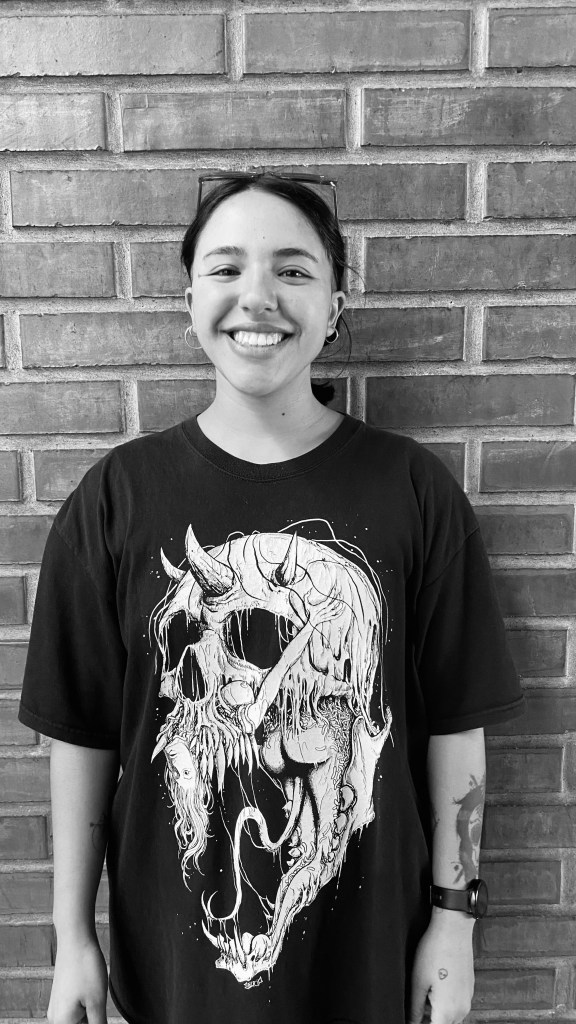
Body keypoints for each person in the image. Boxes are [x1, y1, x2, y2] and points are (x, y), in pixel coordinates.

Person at [18, 171, 525, 1024]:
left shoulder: (414, 492)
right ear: (189, 300)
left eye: (293, 270)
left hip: (367, 969)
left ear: (334, 307)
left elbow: (455, 727)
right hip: (171, 982)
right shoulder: (115, 501)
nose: (257, 296)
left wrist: (454, 921)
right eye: (226, 268)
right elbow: (82, 737)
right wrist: (72, 937)